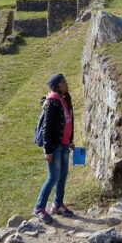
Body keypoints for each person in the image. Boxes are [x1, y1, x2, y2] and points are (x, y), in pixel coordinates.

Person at [33, 73, 75, 223]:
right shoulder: (52, 103)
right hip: (54, 147)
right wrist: (48, 151)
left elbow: (69, 121)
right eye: (63, 82)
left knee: (63, 175)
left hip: (64, 144)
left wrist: (70, 140)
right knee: (53, 177)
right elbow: (46, 129)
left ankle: (58, 204)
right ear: (57, 86)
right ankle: (39, 208)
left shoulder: (65, 98)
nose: (66, 84)